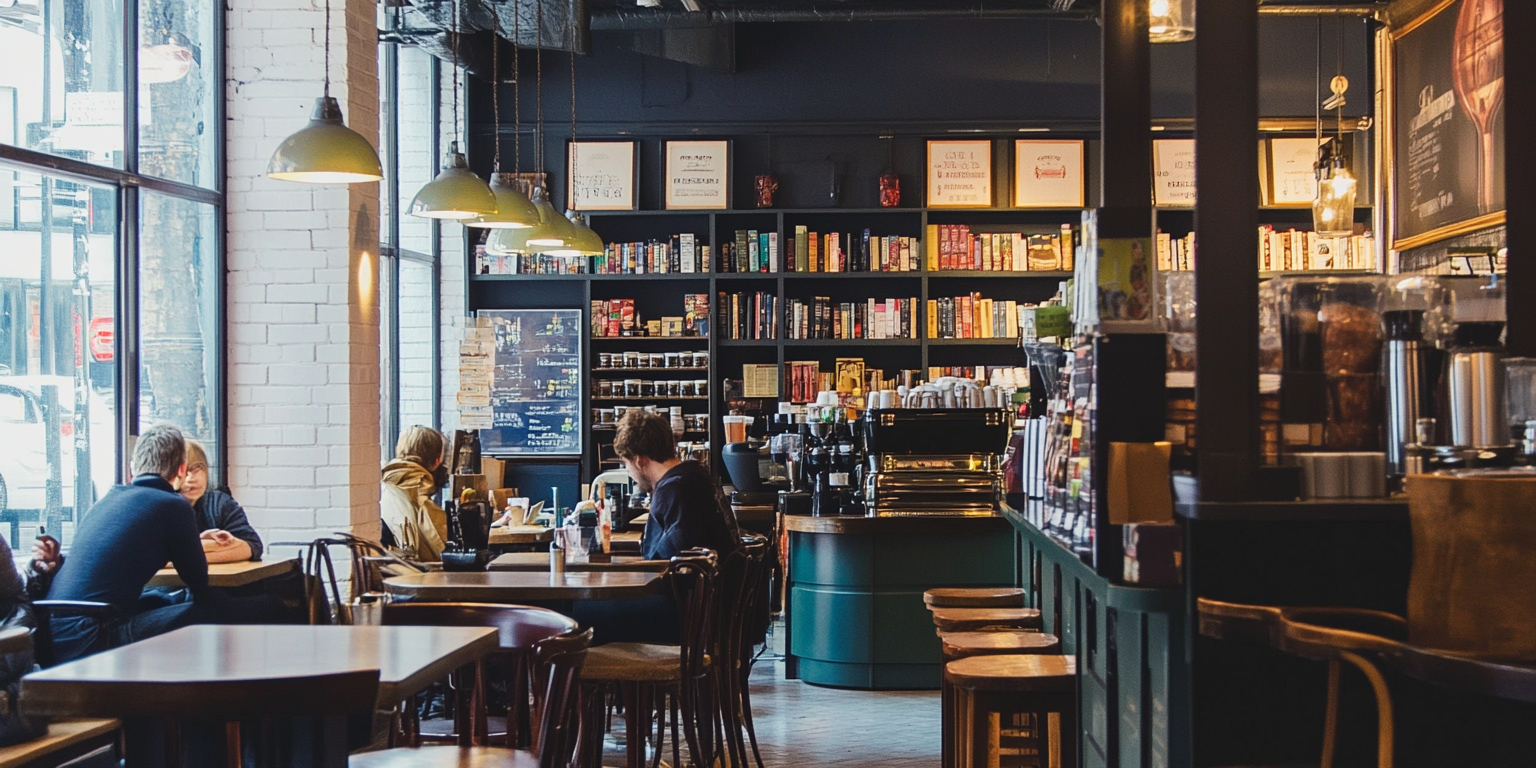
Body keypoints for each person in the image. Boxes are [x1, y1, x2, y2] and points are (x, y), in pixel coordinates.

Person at [38, 423, 286, 663]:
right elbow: (198, 584)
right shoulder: (172, 505)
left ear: (134, 468)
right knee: (267, 606)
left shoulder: (108, 500)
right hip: (96, 636)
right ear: (180, 469)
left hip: (54, 634)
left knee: (168, 600)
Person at [571, 411, 739, 644]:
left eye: (626, 463)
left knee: (573, 614)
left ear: (639, 460)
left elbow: (662, 571)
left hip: (685, 617)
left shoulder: (674, 490)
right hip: (710, 610)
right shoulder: (698, 477)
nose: (629, 471)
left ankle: (580, 679)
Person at [180, 440, 264, 563]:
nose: (192, 478)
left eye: (198, 468)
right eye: (182, 471)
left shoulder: (218, 503)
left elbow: (252, 546)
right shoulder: (158, 505)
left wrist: (175, 558)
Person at [381, 425, 449, 562]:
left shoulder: (380, 490)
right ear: (437, 461)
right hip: (418, 577)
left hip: (388, 574)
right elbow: (443, 553)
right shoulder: (420, 501)